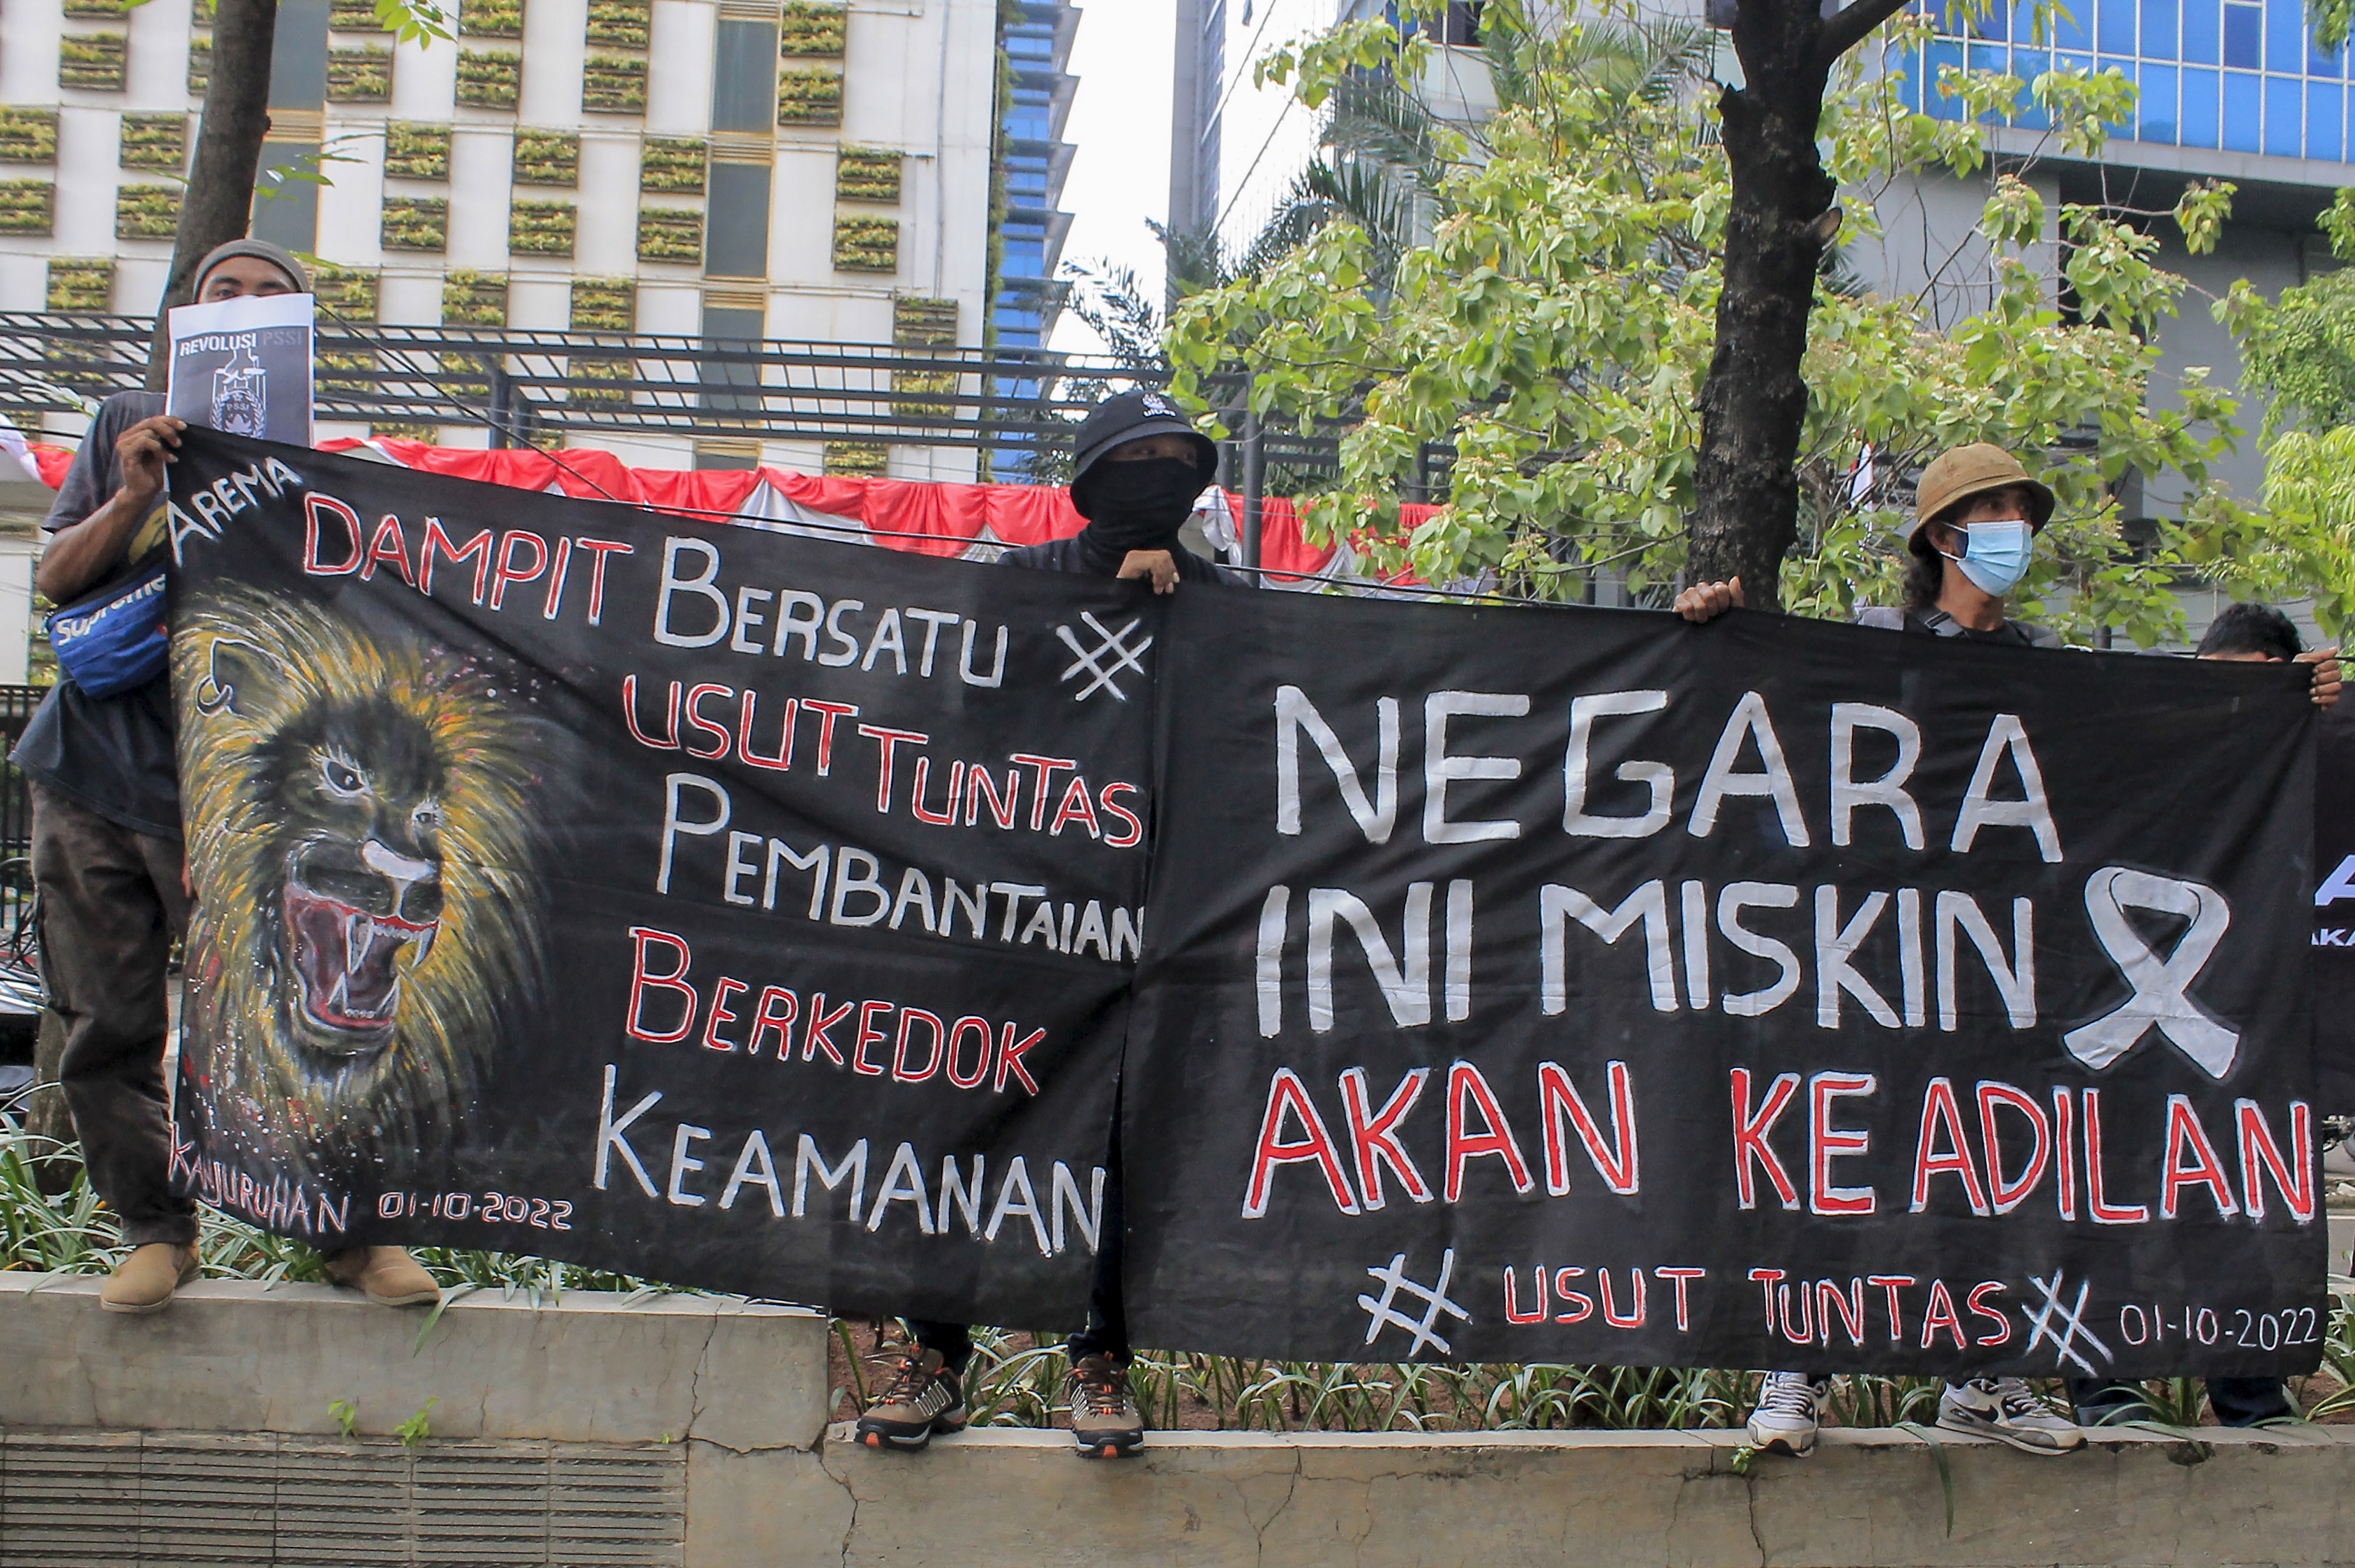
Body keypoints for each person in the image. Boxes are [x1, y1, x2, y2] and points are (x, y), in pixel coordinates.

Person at [19, 239, 441, 1315]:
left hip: (235, 806)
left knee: (284, 1027)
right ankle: (156, 1231)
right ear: (185, 321)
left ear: (304, 329)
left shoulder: (326, 466)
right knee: (106, 1024)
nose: (245, 306)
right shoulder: (127, 423)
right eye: (224, 294)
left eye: (270, 295)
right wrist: (132, 498)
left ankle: (349, 1237)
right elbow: (56, 580)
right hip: (88, 776)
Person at [855, 389, 1240, 1459]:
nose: (1160, 475)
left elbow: (1254, 747)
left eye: (1178, 459)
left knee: (1118, 1146)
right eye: (1138, 458)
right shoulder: (1020, 585)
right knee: (970, 1125)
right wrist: (1100, 611)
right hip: (1012, 916)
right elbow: (958, 718)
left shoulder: (1225, 600)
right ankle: (936, 1355)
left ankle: (1103, 1362)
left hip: (1152, 929)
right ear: (1092, 478)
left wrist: (1181, 609)